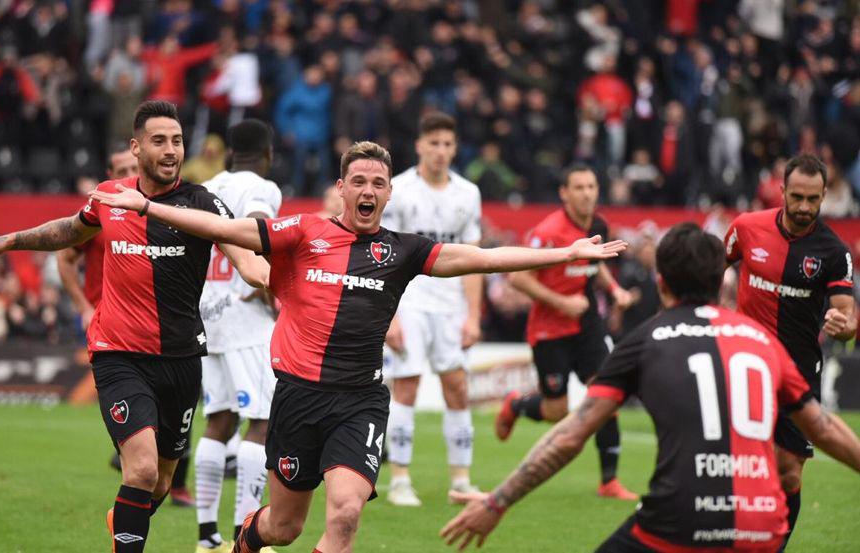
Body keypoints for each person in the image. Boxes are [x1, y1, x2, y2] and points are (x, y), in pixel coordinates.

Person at [84, 140, 627, 553]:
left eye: (378, 183)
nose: (368, 191)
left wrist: (563, 254)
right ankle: (246, 540)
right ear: (342, 188)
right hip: (298, 399)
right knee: (285, 527)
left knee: (344, 514)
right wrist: (150, 209)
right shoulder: (304, 233)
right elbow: (219, 227)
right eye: (359, 181)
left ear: (390, 193)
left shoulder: (403, 251)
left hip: (360, 402)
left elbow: (481, 257)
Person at [440, 223, 860, 552]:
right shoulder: (764, 342)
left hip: (678, 520)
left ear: (661, 282)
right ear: (721, 283)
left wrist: (497, 502)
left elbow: (570, 436)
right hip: (763, 524)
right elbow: (823, 429)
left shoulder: (646, 341)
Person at [0, 100, 265, 552]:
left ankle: (126, 515)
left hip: (182, 360)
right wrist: (10, 240)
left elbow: (249, 262)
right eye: (159, 141)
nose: (171, 150)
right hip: (119, 354)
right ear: (137, 146)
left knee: (161, 482)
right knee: (143, 469)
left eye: (177, 141)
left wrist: (277, 281)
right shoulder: (109, 196)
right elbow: (71, 230)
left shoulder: (203, 203)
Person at [724, 153, 857, 547]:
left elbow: (847, 319)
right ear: (781, 191)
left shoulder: (834, 252)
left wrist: (843, 326)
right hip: (744, 365)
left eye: (812, 199)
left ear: (824, 196)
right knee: (731, 466)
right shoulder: (746, 228)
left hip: (797, 372)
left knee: (789, 475)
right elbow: (712, 265)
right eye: (796, 196)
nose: (803, 207)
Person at [56, 145, 197, 507]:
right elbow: (66, 254)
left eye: (130, 168)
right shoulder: (104, 209)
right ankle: (136, 452)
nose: (127, 176)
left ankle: (164, 481)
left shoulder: (170, 212)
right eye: (120, 169)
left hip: (168, 339)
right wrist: (83, 306)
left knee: (157, 479)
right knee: (142, 468)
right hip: (113, 336)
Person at [495, 164, 637, 500]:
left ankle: (609, 481)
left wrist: (614, 290)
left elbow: (595, 262)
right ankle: (517, 405)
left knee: (607, 395)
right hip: (550, 330)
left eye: (591, 186)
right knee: (555, 411)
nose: (587, 193)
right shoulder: (548, 232)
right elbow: (517, 277)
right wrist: (560, 302)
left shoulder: (599, 224)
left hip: (587, 326)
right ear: (564, 193)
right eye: (579, 187)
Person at [381, 111, 484, 506]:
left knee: (457, 387)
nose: (441, 151)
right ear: (420, 145)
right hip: (409, 301)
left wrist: (473, 315)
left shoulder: (468, 193)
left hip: (450, 304)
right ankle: (401, 480)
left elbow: (474, 259)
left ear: (454, 148)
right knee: (406, 385)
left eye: (447, 144)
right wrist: (389, 315)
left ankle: (461, 480)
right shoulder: (401, 190)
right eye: (434, 143)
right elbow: (386, 257)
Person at [193, 119, 280, 553]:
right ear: (267, 154)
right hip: (247, 318)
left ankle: (206, 537)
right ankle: (246, 539)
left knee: (218, 421)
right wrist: (268, 287)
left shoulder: (207, 186)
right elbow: (260, 228)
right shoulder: (262, 188)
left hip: (208, 316)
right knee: (261, 423)